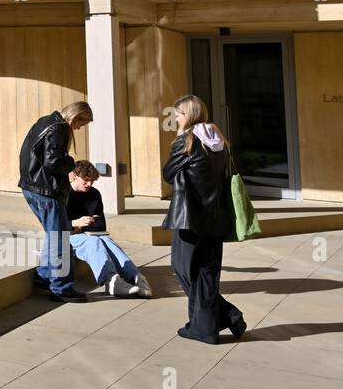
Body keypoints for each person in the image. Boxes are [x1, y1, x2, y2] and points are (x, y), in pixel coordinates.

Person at [162, 94, 245, 344]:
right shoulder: (218, 139)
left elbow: (168, 173)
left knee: (183, 268)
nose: (175, 117)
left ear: (187, 115)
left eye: (178, 113)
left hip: (190, 218)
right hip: (216, 218)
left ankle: (224, 316)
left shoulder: (187, 140)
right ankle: (203, 326)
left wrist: (178, 137)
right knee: (206, 273)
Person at [18, 101, 92, 303]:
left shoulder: (46, 121)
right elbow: (53, 162)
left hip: (32, 187)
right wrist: (71, 163)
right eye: (80, 124)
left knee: (54, 235)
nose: (78, 128)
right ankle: (61, 287)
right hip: (46, 191)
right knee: (60, 239)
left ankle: (43, 275)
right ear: (76, 117)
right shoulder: (59, 128)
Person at [66, 160, 152, 297]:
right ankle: (111, 281)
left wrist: (84, 227)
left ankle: (136, 277)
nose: (89, 184)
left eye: (92, 181)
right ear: (75, 175)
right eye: (86, 180)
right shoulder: (64, 194)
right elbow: (56, 224)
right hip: (68, 236)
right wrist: (76, 223)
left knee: (107, 241)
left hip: (89, 234)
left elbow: (101, 225)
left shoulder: (94, 194)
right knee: (95, 242)